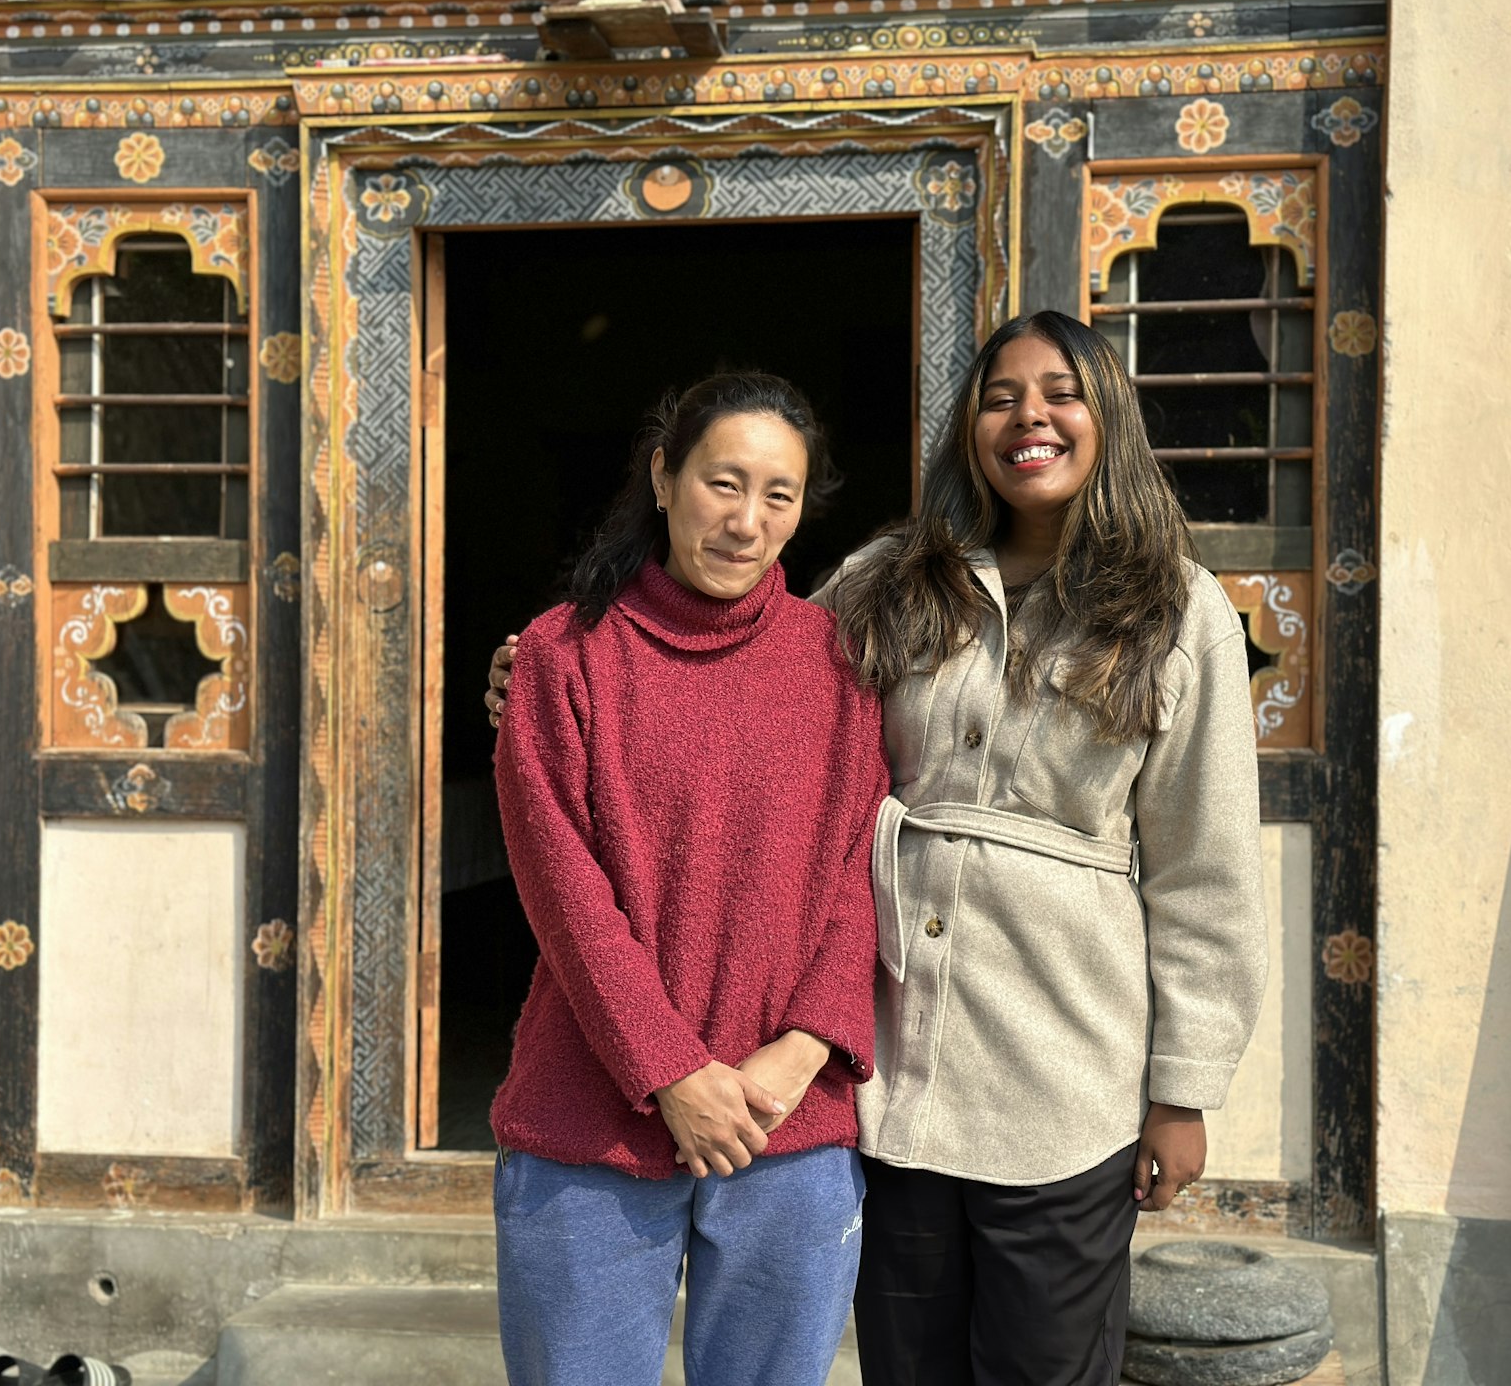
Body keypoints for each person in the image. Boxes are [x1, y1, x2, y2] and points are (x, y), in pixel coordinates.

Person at [489, 314, 1266, 1386]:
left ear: (1110, 419)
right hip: (898, 1083)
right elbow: (725, 665)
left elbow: (1204, 865)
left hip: (1055, 1065)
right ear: (663, 476)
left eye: (1060, 394)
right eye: (1000, 397)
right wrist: (536, 665)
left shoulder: (1177, 613)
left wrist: (1184, 1088)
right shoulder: (895, 585)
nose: (1028, 418)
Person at [486, 372, 888, 1386]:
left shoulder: (839, 663)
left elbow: (861, 874)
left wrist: (803, 1053)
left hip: (785, 1124)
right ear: (664, 476)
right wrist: (669, 1071)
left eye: (779, 496)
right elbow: (562, 886)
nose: (747, 522)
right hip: (590, 1121)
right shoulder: (562, 654)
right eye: (723, 482)